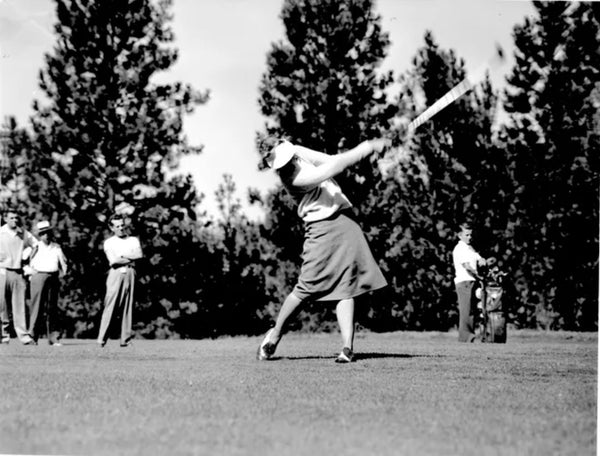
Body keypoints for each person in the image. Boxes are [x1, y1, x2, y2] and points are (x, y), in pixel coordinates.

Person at [257, 138, 389, 363]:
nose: (287, 163)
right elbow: (334, 167)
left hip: (344, 221)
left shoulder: (296, 151)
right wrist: (368, 147)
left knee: (347, 284)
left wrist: (367, 155)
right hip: (319, 228)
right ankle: (276, 332)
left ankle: (347, 348)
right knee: (306, 286)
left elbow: (330, 160)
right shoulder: (293, 178)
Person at [97, 214, 143, 347]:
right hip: (116, 273)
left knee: (128, 305)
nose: (121, 228)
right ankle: (102, 339)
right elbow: (114, 261)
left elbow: (139, 255)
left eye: (122, 225)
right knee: (111, 305)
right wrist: (130, 257)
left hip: (130, 272)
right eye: (117, 226)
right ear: (112, 228)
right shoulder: (109, 242)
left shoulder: (133, 240)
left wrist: (123, 256)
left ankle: (125, 339)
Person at [26, 220, 68, 346]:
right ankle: (33, 336)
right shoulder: (35, 247)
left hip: (53, 277)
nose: (46, 235)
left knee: (52, 308)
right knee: (37, 307)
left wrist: (62, 274)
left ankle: (54, 337)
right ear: (39, 234)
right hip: (38, 276)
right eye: (43, 233)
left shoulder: (56, 247)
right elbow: (25, 262)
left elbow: (64, 262)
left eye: (48, 232)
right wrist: (30, 274)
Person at [0, 208, 38, 345]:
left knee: (19, 306)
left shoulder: (23, 233)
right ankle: (3, 336)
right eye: (11, 218)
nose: (14, 220)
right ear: (5, 219)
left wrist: (27, 260)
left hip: (17, 271)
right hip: (2, 270)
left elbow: (35, 245)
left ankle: (24, 336)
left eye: (16, 218)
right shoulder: (1, 233)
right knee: (2, 306)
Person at [452, 222, 486, 342]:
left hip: (472, 281)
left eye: (471, 235)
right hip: (464, 281)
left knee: (473, 310)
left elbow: (477, 257)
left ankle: (472, 335)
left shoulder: (469, 248)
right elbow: (467, 266)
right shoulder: (460, 248)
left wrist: (482, 259)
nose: (470, 237)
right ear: (459, 235)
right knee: (466, 310)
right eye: (467, 235)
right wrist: (478, 276)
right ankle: (465, 336)